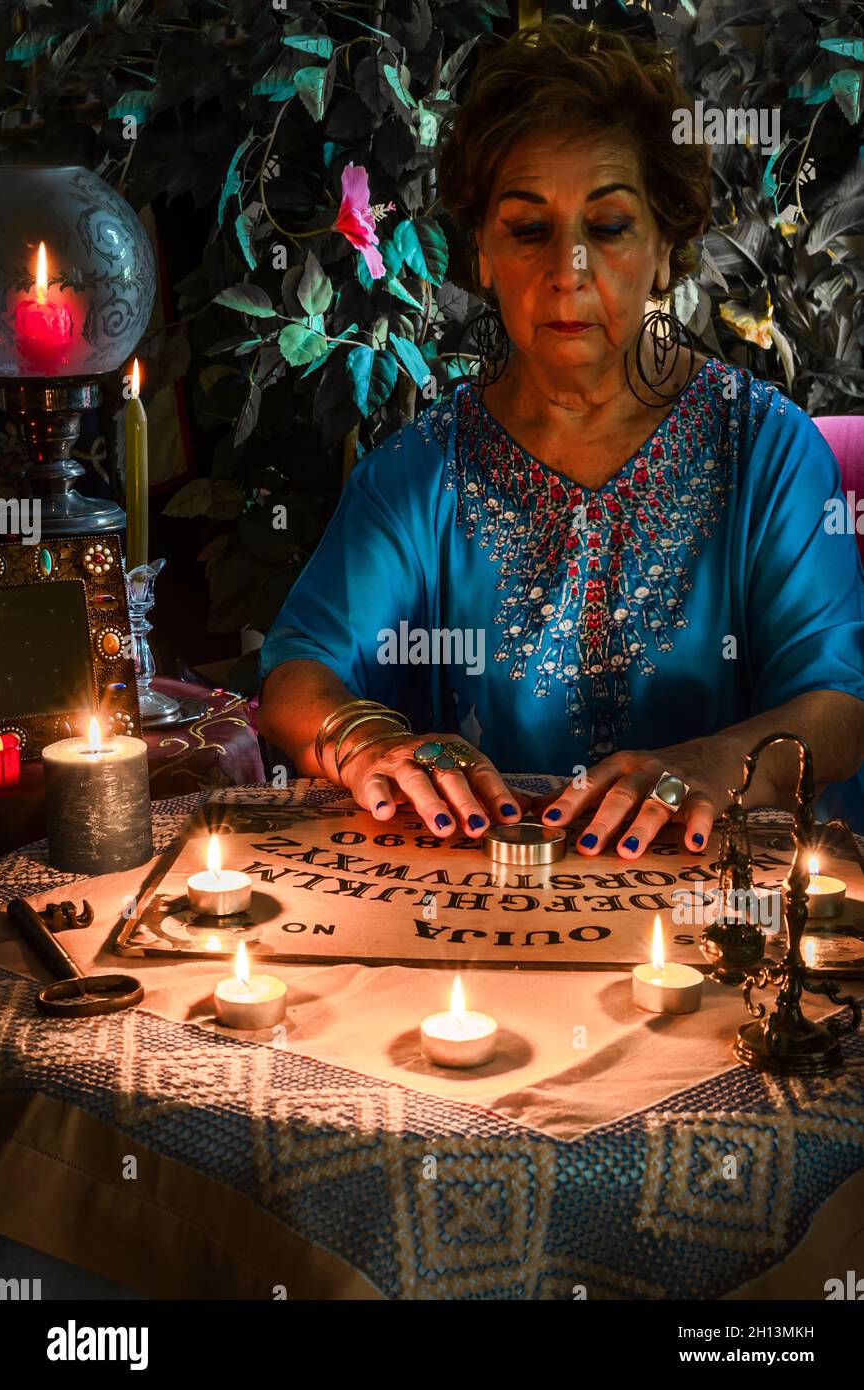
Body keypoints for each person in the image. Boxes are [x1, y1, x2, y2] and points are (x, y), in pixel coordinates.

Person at [258, 18, 864, 855]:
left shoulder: (765, 452)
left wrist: (716, 760)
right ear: (481, 253)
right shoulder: (420, 472)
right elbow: (299, 672)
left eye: (608, 227)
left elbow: (839, 704)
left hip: (726, 918)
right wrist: (366, 738)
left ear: (663, 250)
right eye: (528, 228)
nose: (568, 270)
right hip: (480, 915)